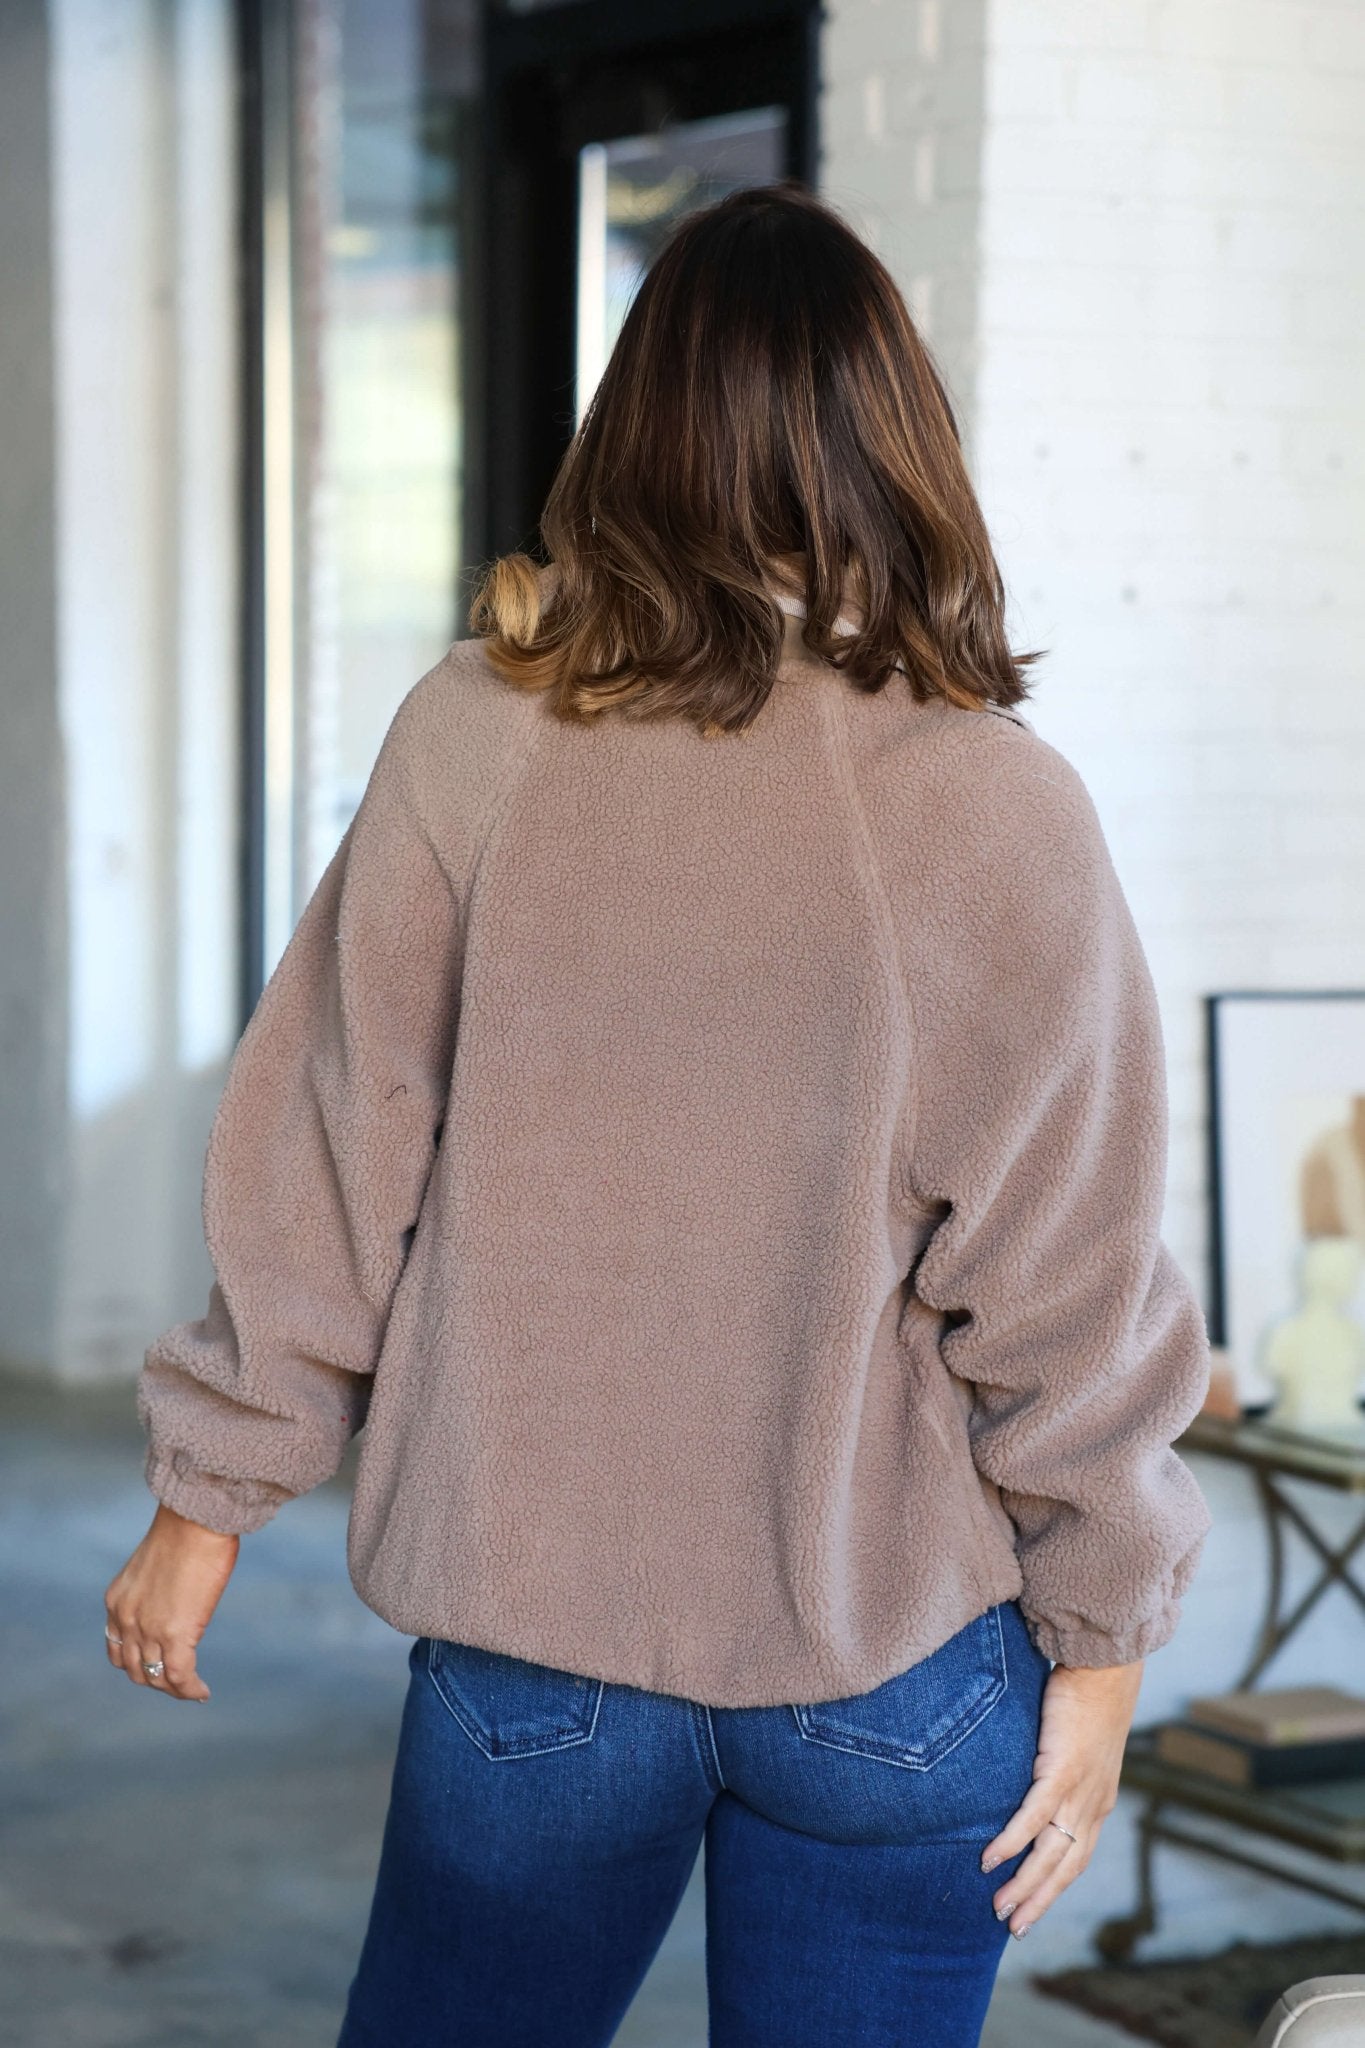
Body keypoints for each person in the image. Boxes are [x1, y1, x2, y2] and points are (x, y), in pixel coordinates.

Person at [104, 183, 1213, 2047]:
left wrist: (211, 1498)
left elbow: (328, 1140)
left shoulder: (478, 730)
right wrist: (1100, 1642)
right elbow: (1065, 1273)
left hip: (536, 1647)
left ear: (634, 431)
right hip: (896, 1663)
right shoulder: (993, 800)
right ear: (899, 446)